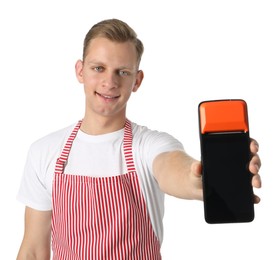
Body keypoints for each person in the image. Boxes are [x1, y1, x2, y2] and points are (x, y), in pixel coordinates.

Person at [16, 18, 262, 259]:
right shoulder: (45, 152)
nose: (109, 82)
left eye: (122, 72)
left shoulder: (149, 146)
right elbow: (33, 252)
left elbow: (172, 168)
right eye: (98, 68)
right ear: (80, 71)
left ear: (137, 80)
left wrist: (202, 179)